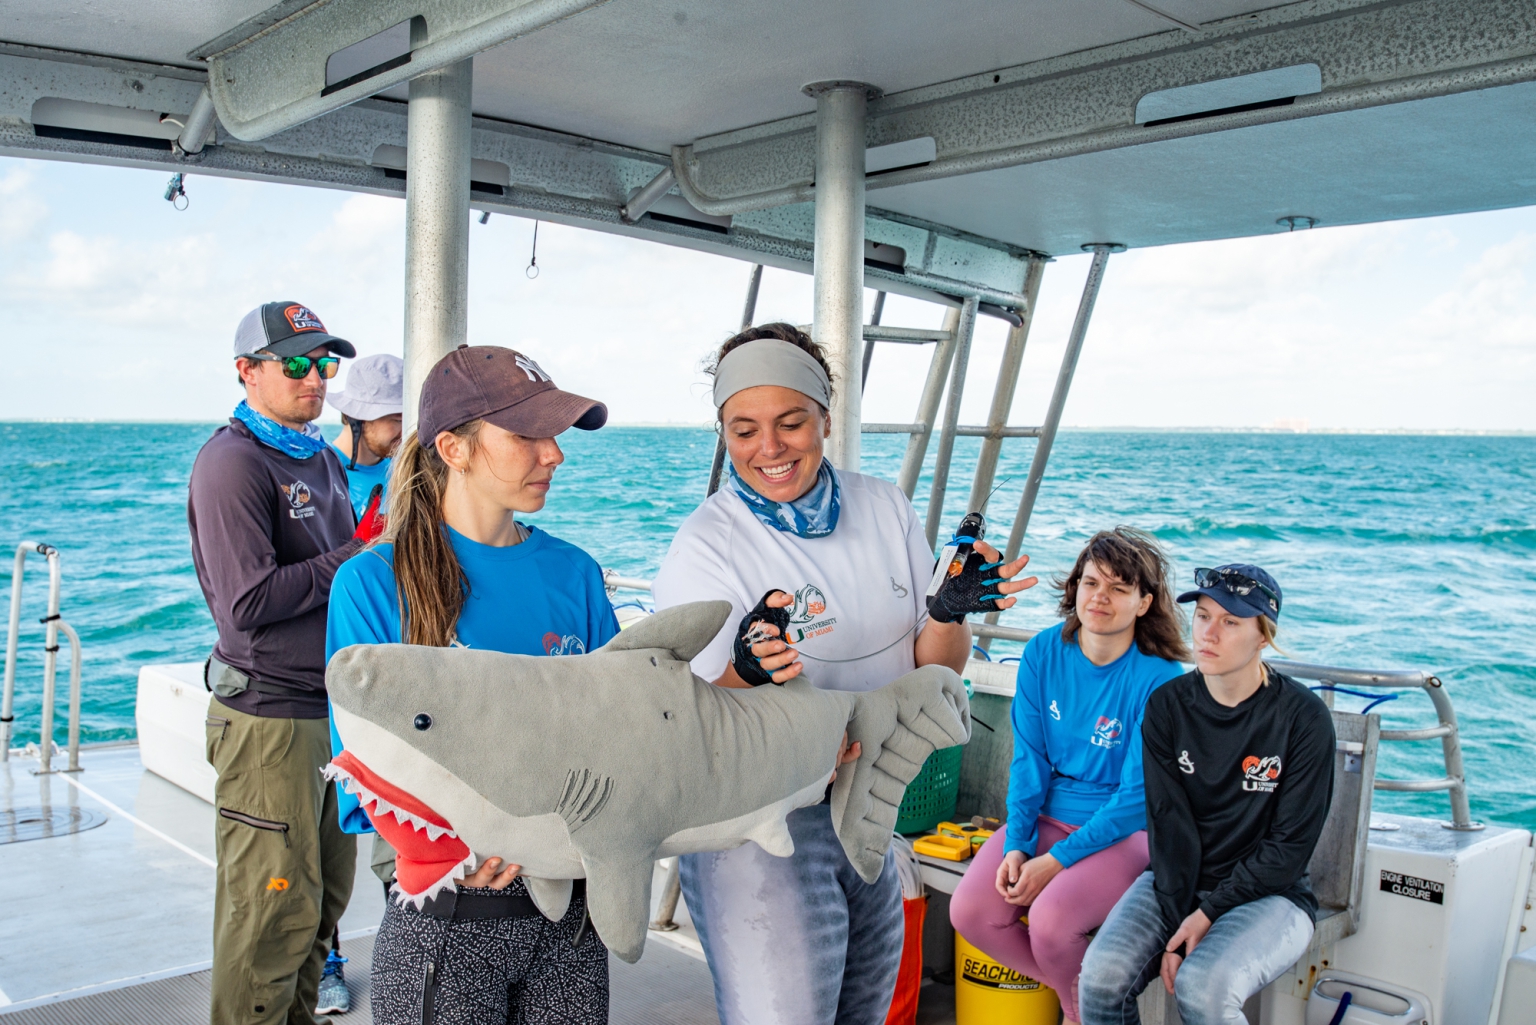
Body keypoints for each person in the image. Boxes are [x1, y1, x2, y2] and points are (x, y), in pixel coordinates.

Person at [650, 323, 1037, 1025]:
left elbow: (934, 668)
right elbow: (689, 721)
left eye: (791, 422)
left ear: (825, 419)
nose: (769, 447)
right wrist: (741, 670)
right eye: (743, 429)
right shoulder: (707, 545)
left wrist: (947, 609)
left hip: (873, 814)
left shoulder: (884, 506)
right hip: (759, 831)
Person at [325, 344, 616, 1025]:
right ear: (454, 447)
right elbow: (363, 763)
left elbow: (617, 733)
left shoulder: (575, 574)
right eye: (527, 436)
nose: (555, 455)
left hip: (572, 917)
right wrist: (458, 846)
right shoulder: (370, 583)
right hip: (449, 912)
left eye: (554, 436)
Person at [188, 301, 364, 1025]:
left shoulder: (320, 457)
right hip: (268, 722)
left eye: (324, 362)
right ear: (246, 371)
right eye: (294, 362)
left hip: (328, 713)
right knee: (270, 919)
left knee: (321, 910)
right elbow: (247, 600)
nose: (314, 378)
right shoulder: (231, 462)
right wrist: (355, 558)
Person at [1078, 564, 1335, 1025]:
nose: (1209, 633)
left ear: (1263, 637)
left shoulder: (1303, 718)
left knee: (1201, 989)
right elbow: (1168, 829)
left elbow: (1288, 853)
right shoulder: (1168, 706)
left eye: (1231, 622)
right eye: (1202, 616)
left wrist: (1206, 915)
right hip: (1176, 882)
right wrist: (1180, 922)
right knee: (1099, 980)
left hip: (1272, 895)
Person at [949, 527, 1188, 1024]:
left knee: (1052, 924)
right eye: (1091, 583)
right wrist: (1019, 843)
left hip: (1129, 830)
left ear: (1143, 603)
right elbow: (1029, 760)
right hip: (1051, 813)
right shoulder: (1042, 653)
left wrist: (1053, 862)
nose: (1100, 597)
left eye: (1119, 588)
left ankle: (1083, 1011)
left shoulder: (1161, 679)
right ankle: (1079, 1001)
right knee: (971, 911)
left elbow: (1135, 798)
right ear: (1074, 588)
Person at [328, 353, 405, 520]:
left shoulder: (406, 469)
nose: (405, 431)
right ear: (357, 418)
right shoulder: (321, 474)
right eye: (398, 420)